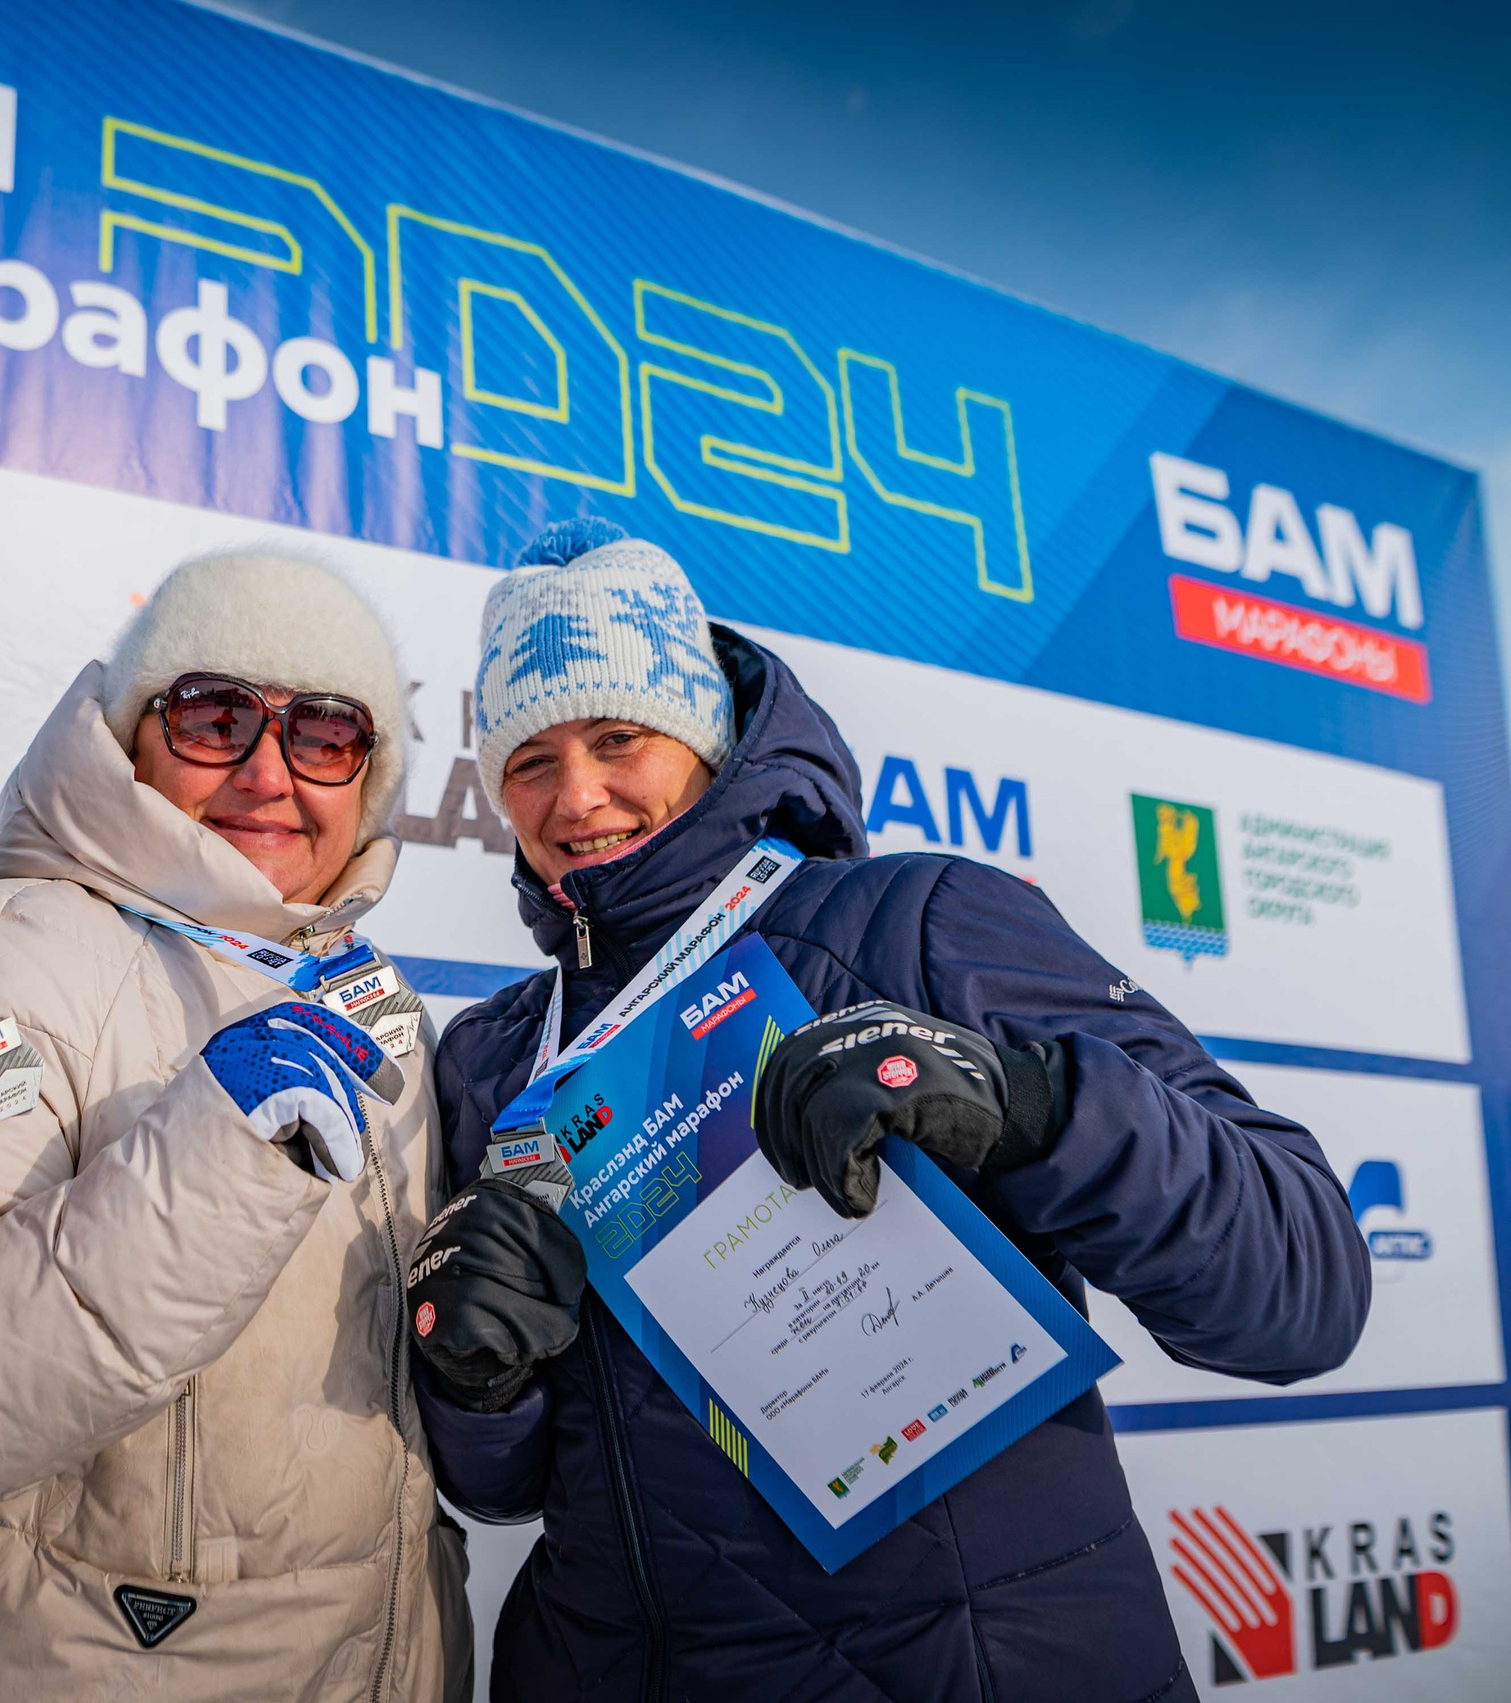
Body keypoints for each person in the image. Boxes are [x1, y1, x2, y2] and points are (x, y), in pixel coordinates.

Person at [404, 519, 1370, 1701]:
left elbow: (1303, 1288)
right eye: (528, 759)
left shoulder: (912, 921)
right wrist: (475, 1373)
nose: (578, 794)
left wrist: (1032, 1108)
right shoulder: (494, 1056)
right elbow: (503, 1486)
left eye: (618, 736)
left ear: (704, 738)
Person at [0, 551, 475, 1702]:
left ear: (368, 773)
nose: (266, 772)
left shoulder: (380, 1002)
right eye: (214, 717)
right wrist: (216, 1163)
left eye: (324, 734)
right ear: (131, 737)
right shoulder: (8, 958)